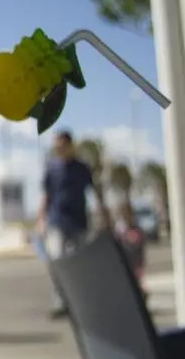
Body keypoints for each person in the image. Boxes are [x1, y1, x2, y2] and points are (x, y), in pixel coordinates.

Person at [37, 129, 110, 319]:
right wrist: (41, 220)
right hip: (57, 220)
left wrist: (103, 214)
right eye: (56, 146)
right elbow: (46, 196)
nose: (59, 149)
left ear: (70, 146)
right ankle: (60, 301)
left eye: (62, 146)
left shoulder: (81, 168)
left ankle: (80, 300)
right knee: (58, 259)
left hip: (78, 221)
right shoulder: (51, 168)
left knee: (80, 261)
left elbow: (95, 191)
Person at [114, 202, 147, 299]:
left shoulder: (136, 230)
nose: (125, 217)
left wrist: (141, 264)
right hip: (125, 264)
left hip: (134, 265)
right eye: (123, 214)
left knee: (135, 286)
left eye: (127, 214)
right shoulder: (120, 231)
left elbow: (140, 248)